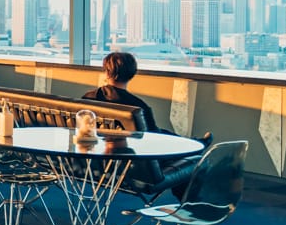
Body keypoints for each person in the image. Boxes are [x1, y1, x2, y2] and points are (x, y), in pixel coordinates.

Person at [82, 51, 208, 200]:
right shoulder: (138, 108)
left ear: (106, 71)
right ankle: (190, 205)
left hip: (93, 163)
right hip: (136, 169)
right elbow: (155, 140)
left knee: (164, 133)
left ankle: (193, 142)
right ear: (132, 73)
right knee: (194, 157)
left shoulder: (88, 98)